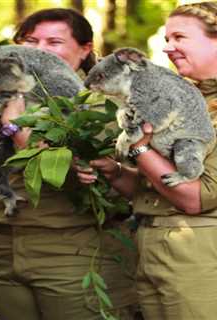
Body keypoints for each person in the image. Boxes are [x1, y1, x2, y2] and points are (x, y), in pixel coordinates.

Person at [0, 8, 137, 320]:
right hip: (0, 254)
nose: (39, 51)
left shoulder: (103, 106)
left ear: (85, 50)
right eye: (30, 40)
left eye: (54, 42)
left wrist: (18, 130)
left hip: (74, 253)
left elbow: (95, 184)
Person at [76, 2, 217, 319]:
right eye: (167, 39)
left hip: (199, 252)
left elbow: (195, 198)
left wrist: (141, 149)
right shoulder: (169, 93)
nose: (168, 48)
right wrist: (114, 172)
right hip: (147, 245)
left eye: (179, 37)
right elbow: (149, 190)